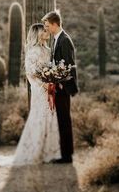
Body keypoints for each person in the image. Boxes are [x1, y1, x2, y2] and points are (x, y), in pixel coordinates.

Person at [11, 23, 61, 166]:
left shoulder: (48, 50)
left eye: (47, 30)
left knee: (51, 116)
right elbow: (31, 73)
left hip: (50, 88)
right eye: (44, 31)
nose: (47, 32)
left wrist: (54, 80)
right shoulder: (32, 51)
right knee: (39, 116)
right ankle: (35, 151)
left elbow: (52, 68)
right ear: (37, 34)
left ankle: (49, 152)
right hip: (39, 90)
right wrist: (43, 85)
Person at [42, 10, 78, 164]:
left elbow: (69, 66)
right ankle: (64, 153)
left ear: (55, 24)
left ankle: (67, 156)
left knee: (64, 120)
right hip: (58, 87)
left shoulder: (64, 40)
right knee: (61, 120)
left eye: (48, 25)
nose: (46, 28)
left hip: (63, 88)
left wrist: (63, 84)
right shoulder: (57, 39)